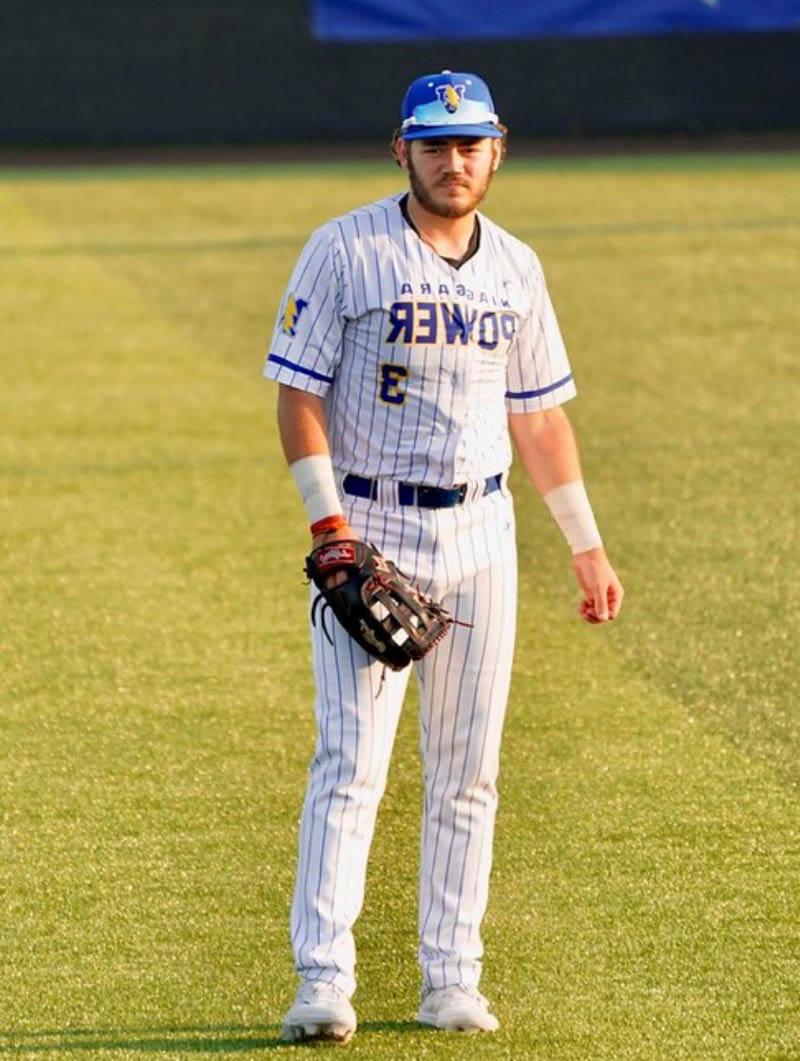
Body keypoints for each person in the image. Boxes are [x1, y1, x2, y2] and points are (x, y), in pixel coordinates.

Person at [263, 69, 624, 1044]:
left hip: (482, 534)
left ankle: (449, 978)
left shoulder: (514, 267)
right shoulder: (344, 250)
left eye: (469, 145)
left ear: (496, 150)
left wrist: (584, 544)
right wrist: (327, 525)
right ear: (402, 149)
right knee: (351, 762)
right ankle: (322, 980)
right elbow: (297, 394)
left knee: (467, 769)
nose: (452, 160)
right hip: (370, 530)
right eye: (434, 143)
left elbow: (538, 416)